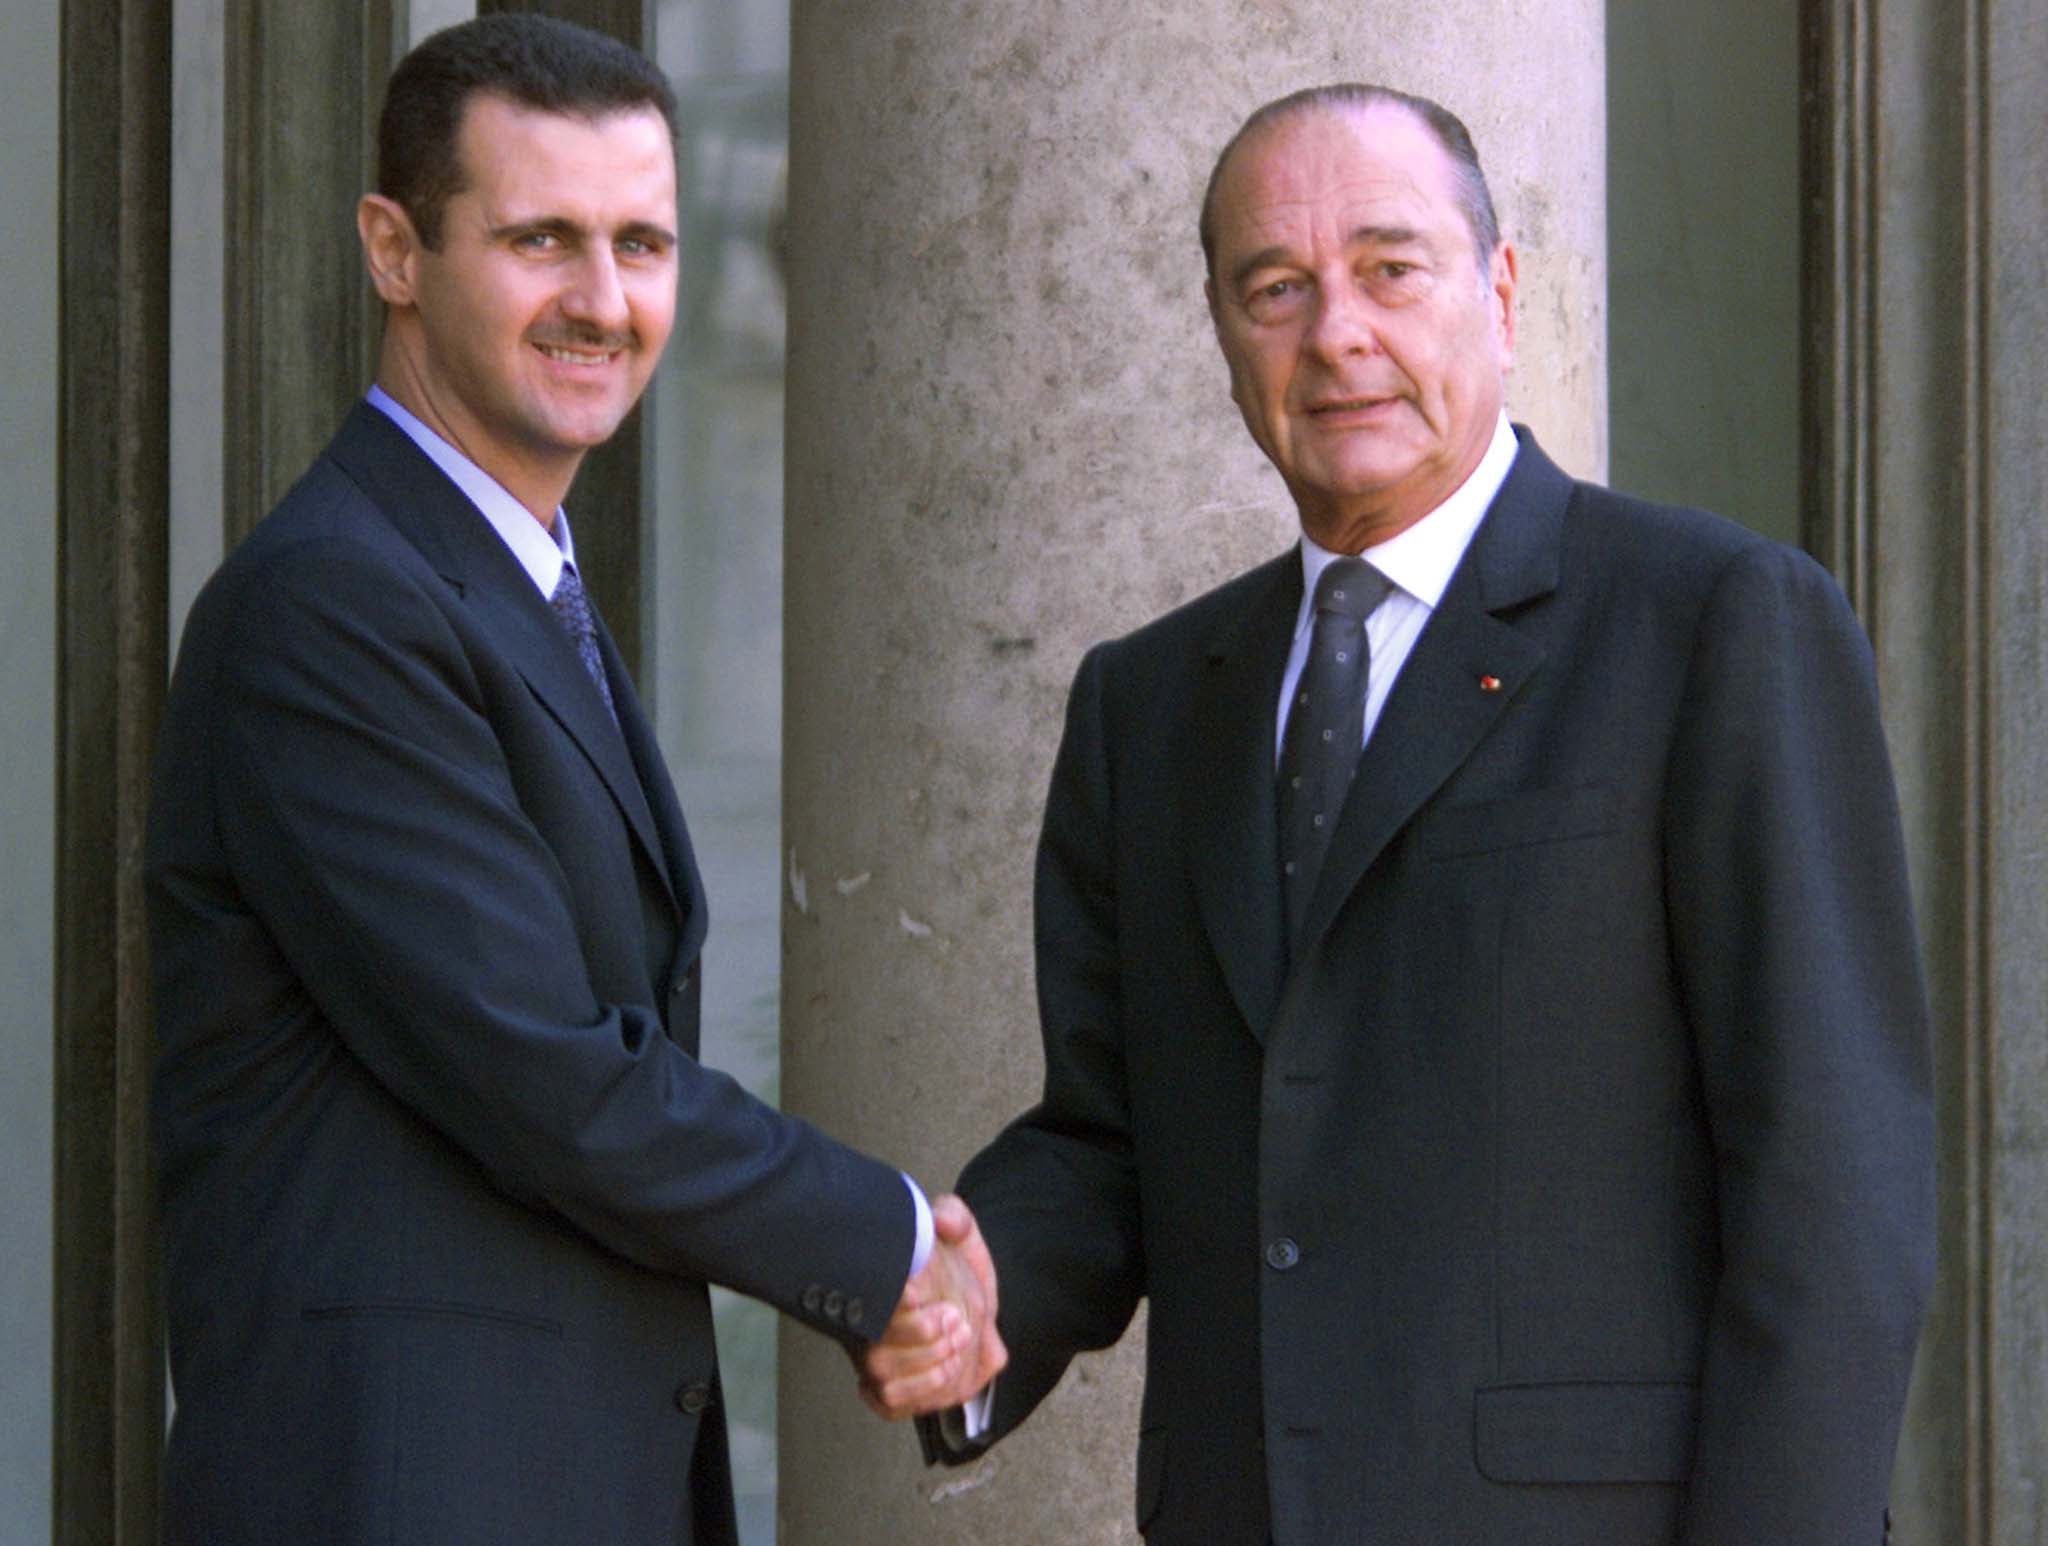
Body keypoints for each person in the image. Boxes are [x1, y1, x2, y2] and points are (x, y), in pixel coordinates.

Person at [878, 84, 1935, 1544]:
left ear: (1499, 292)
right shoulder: (1149, 703)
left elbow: (1834, 1185)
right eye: (1277, 288)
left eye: (1391, 269)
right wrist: (970, 1286)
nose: (1336, 335)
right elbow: (1115, 1136)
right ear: (1224, 334)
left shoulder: (1713, 625)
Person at [146, 16, 998, 1544]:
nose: (604, 302)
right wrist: (884, 1241)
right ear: (393, 250)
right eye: (542, 239)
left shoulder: (509, 580)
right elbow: (548, 1072)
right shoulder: (333, 604)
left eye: (643, 243)